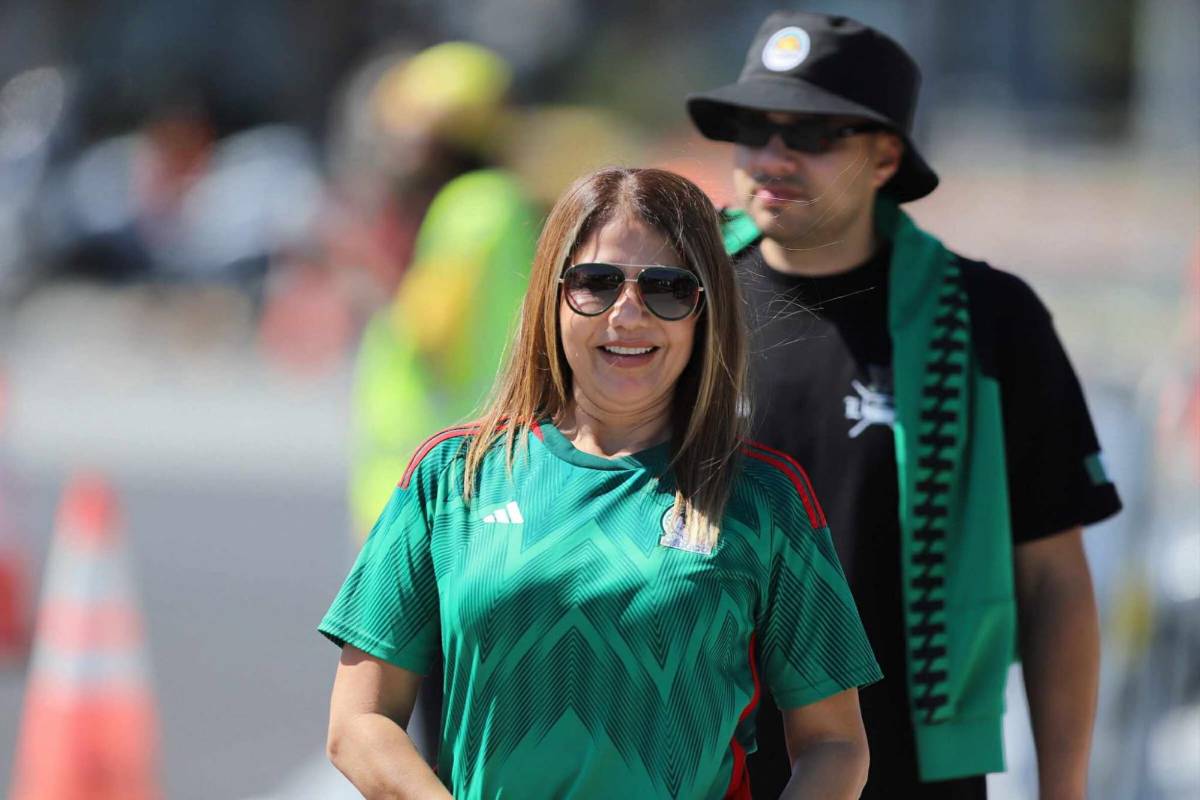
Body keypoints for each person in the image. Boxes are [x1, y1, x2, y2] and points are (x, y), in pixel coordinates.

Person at [319, 167, 882, 799]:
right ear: (550, 298)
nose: (629, 314)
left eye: (669, 289)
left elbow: (836, 742)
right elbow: (359, 722)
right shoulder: (451, 477)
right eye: (596, 283)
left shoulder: (765, 499)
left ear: (706, 311)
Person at [686, 11, 1122, 800]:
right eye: (754, 126)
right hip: (698, 762)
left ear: (886, 155)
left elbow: (1054, 580)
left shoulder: (989, 318)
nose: (773, 156)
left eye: (813, 133)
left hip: (910, 771)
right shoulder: (675, 295)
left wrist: (1064, 789)